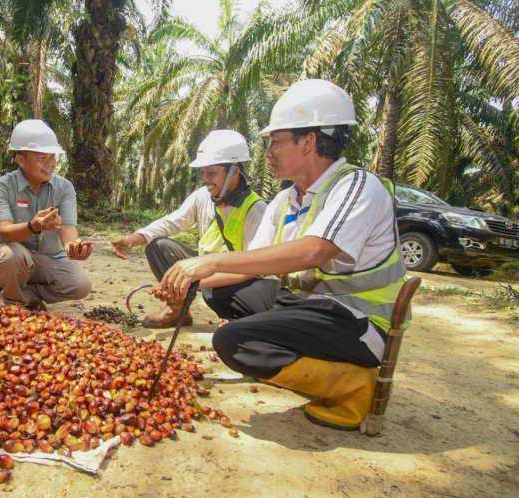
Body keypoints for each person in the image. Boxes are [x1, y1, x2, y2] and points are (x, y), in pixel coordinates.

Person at [159, 79, 407, 430]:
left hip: (358, 323)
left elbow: (315, 250)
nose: (268, 153)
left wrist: (211, 260)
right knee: (217, 289)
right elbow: (252, 265)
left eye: (276, 141)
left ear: (308, 142)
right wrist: (193, 282)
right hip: (307, 306)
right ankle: (309, 360)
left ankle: (355, 385)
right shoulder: (286, 199)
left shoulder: (357, 186)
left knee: (233, 341)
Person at [111, 129, 267, 328]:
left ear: (234, 172)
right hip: (204, 270)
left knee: (216, 292)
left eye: (211, 172)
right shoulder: (203, 196)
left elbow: (252, 270)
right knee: (158, 246)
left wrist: (193, 281)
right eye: (203, 172)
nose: (205, 179)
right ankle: (178, 311)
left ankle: (239, 318)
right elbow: (172, 221)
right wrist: (133, 239)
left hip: (236, 277)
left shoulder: (255, 210)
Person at [0, 119, 92, 310]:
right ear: (20, 160)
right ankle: (15, 302)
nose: (50, 164)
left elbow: (68, 228)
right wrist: (34, 226)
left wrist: (74, 247)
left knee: (81, 285)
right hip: (14, 258)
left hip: (49, 258)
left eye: (52, 157)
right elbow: (6, 232)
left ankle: (27, 294)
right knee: (11, 255)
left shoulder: (64, 188)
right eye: (42, 158)